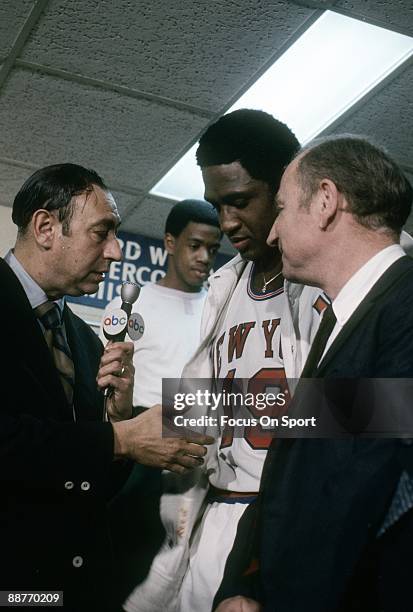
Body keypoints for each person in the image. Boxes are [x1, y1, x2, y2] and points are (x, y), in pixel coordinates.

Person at [1, 163, 212, 612]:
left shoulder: (79, 336)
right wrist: (121, 437)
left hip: (70, 586)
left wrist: (117, 418)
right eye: (103, 232)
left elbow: (86, 477)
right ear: (45, 228)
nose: (116, 251)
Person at [217, 135, 413, 611]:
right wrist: (244, 585)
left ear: (325, 201)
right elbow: (295, 470)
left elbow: (378, 494)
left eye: (281, 209)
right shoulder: (335, 324)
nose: (271, 233)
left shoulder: (405, 306)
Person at [124, 109, 302, 612]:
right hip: (210, 517)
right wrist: (123, 421)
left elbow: (375, 411)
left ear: (287, 186)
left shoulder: (330, 275)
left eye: (240, 202)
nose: (226, 223)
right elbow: (193, 415)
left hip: (281, 527)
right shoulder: (223, 287)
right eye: (217, 205)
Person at [102, 198, 221, 599]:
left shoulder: (219, 310)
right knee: (131, 570)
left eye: (213, 248)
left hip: (199, 451)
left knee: (183, 568)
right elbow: (109, 386)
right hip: (142, 456)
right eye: (195, 245)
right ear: (170, 242)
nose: (205, 257)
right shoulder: (132, 305)